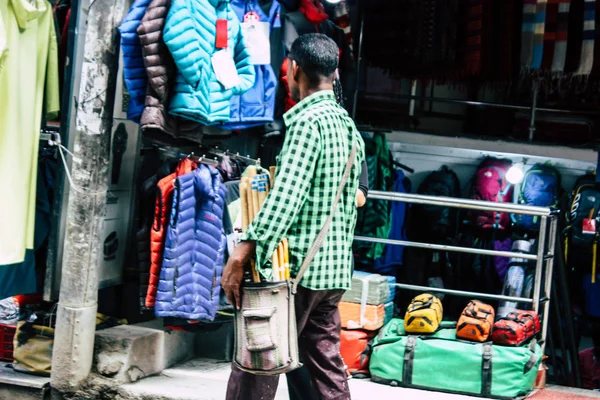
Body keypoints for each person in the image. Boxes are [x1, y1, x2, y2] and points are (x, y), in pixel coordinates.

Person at [221, 33, 365, 400]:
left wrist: (243, 251)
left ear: (293, 68)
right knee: (323, 373)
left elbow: (287, 196)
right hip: (331, 274)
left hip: (294, 272)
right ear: (333, 74)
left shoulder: (307, 122)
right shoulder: (348, 127)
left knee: (256, 361)